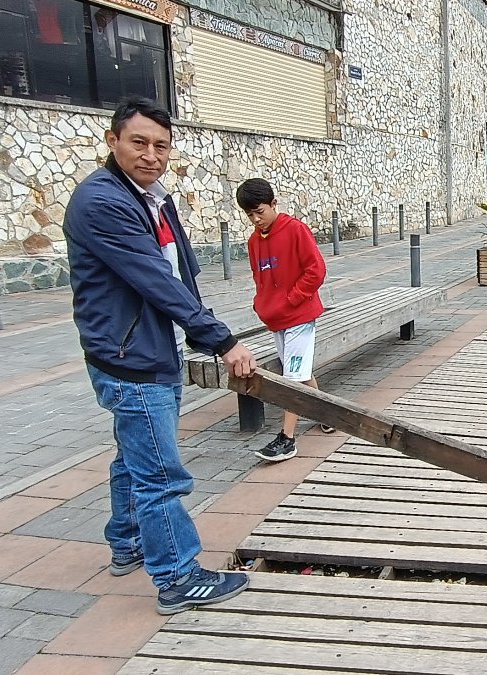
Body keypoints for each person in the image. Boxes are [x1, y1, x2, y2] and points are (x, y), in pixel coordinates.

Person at [63, 96, 256, 615]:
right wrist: (221, 338)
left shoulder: (149, 195)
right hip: (130, 358)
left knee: (134, 455)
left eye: (161, 146)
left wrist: (198, 330)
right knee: (160, 474)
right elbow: (154, 280)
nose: (151, 155)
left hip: (145, 348)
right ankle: (177, 577)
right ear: (112, 141)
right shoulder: (102, 202)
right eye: (139, 143)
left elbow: (180, 272)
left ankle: (126, 543)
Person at [236, 178, 335, 461]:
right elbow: (260, 279)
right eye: (250, 215)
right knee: (300, 371)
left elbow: (315, 270)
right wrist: (262, 305)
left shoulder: (295, 230)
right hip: (275, 318)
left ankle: (287, 439)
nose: (256, 219)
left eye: (260, 211)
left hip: (299, 316)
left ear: (273, 204)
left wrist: (292, 299)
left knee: (291, 378)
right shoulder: (254, 241)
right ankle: (328, 413)